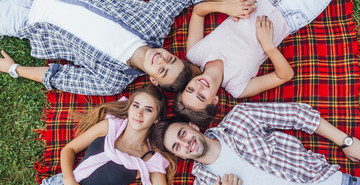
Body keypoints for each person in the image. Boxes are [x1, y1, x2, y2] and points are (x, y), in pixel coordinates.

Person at [0, 85, 222, 185]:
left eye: (148, 110)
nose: (139, 113)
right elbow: (69, 149)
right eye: (136, 105)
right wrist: (68, 181)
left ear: (157, 118)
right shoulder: (110, 126)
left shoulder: (150, 160)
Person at [150, 102, 360, 185]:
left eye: (182, 134)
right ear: (180, 156)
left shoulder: (240, 118)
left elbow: (296, 114)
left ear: (193, 126)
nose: (185, 143)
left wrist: (346, 141)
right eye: (177, 146)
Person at [0, 0, 255, 95]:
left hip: (27, 22)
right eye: (171, 60)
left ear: (154, 81)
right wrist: (224, 5)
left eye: (163, 71)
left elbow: (59, 77)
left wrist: (14, 69)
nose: (161, 61)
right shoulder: (153, 25)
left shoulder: (111, 81)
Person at [173, 0, 331, 126]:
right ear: (214, 101)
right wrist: (268, 46)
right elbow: (285, 75)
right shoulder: (238, 87)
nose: (199, 86)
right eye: (201, 96)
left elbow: (198, 11)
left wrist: (226, 7)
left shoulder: (195, 53)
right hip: (291, 14)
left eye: (190, 89)